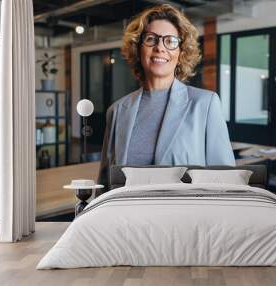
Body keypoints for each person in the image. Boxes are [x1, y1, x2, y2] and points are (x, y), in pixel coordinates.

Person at [97, 4, 235, 192]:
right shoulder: (117, 111)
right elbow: (106, 183)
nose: (160, 48)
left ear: (181, 52)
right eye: (151, 39)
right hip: (130, 218)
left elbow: (226, 181)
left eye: (170, 41)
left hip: (186, 219)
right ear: (138, 49)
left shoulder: (205, 104)